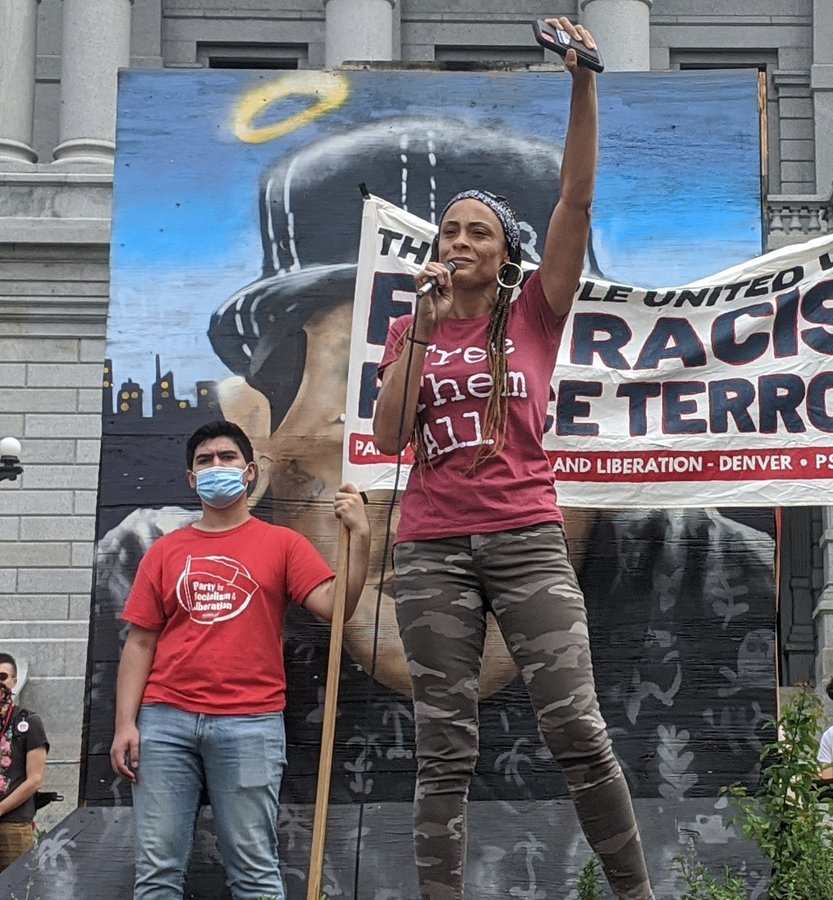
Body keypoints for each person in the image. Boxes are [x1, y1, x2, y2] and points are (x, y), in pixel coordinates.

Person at [371, 17, 653, 900]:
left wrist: (582, 81)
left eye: (475, 234)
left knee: (577, 727)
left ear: (505, 255)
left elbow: (575, 200)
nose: (456, 242)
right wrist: (418, 328)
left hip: (526, 536)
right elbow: (386, 439)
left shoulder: (533, 311)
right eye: (446, 231)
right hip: (430, 551)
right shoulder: (407, 324)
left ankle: (635, 891)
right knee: (443, 744)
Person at [109, 420, 370, 900]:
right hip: (164, 721)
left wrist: (362, 538)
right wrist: (126, 723)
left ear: (249, 471)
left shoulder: (283, 544)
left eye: (226, 458)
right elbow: (140, 642)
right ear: (191, 479)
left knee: (254, 871)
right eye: (204, 461)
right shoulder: (165, 551)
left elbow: (336, 607)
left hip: (251, 722)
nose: (216, 468)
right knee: (157, 871)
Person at [0, 653, 48, 872]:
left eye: (3, 677)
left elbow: (34, 780)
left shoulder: (29, 721)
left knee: (14, 889)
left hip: (13, 825)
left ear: (14, 681)